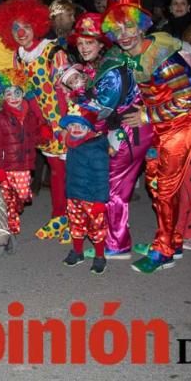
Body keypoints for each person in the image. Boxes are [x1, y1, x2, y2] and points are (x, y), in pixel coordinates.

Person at [102, 0, 191, 274]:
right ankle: (172, 240)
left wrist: (148, 116)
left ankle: (163, 251)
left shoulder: (161, 57)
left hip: (181, 128)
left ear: (140, 27)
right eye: (117, 29)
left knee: (164, 190)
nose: (123, 35)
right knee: (154, 184)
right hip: (161, 128)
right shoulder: (133, 55)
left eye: (128, 27)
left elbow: (188, 98)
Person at [71, 13, 154, 259]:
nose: (84, 48)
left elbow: (102, 108)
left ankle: (117, 245)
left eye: (90, 42)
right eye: (81, 43)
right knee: (116, 185)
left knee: (113, 188)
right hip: (126, 129)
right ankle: (115, 235)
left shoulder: (111, 69)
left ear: (101, 44)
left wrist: (77, 92)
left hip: (129, 131)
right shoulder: (109, 62)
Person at [0, 0, 71, 244]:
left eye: (26, 26)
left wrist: (66, 123)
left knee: (67, 170)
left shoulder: (52, 52)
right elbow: (23, 92)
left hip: (64, 122)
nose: (21, 32)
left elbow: (68, 90)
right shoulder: (18, 56)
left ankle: (72, 217)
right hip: (41, 123)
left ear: (36, 25)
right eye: (15, 28)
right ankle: (61, 216)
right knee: (56, 170)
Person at [0, 68, 51, 235]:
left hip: (24, 166)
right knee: (8, 199)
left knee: (22, 197)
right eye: (8, 93)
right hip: (6, 167)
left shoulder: (30, 116)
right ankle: (10, 228)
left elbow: (33, 137)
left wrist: (43, 135)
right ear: (2, 95)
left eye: (17, 92)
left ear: (23, 93)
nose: (13, 97)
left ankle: (11, 209)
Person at [59, 106, 110, 276]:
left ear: (89, 128)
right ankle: (78, 252)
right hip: (74, 194)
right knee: (76, 224)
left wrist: (100, 201)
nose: (76, 129)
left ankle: (100, 256)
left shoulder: (95, 149)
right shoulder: (73, 144)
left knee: (97, 228)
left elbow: (102, 176)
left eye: (81, 126)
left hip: (92, 198)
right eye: (72, 125)